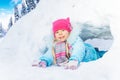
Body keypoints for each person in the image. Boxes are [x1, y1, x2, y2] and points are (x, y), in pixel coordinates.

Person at [36, 17, 103, 70]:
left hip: (89, 54)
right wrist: (44, 60)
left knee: (100, 54)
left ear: (69, 32)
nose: (60, 33)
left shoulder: (75, 40)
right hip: (77, 55)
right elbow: (50, 53)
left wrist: (74, 59)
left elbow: (79, 49)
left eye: (63, 30)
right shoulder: (56, 45)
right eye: (57, 32)